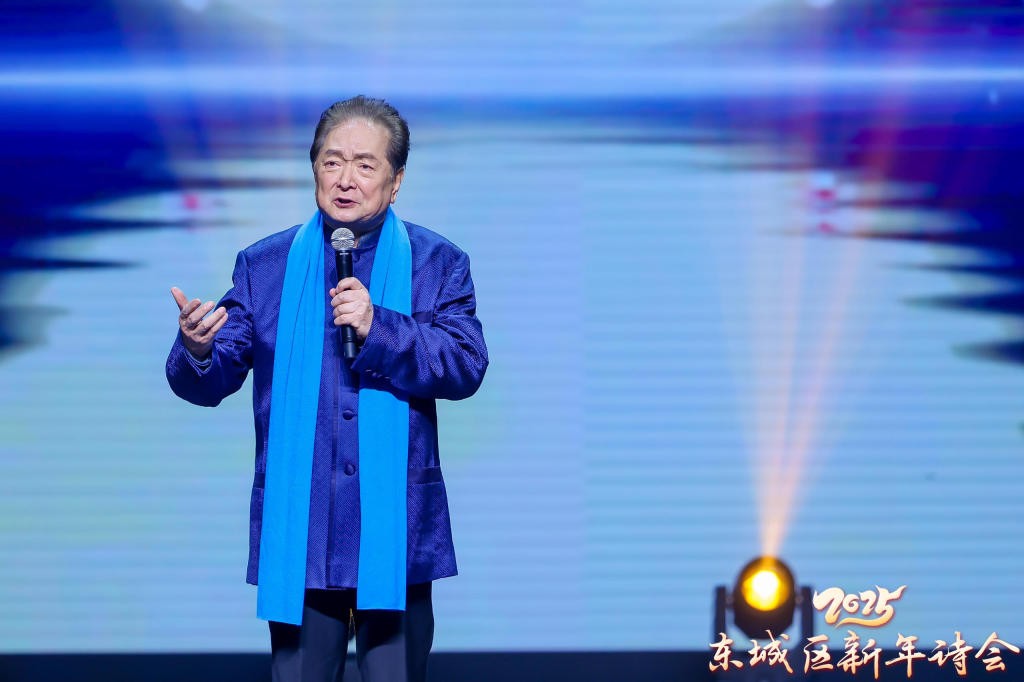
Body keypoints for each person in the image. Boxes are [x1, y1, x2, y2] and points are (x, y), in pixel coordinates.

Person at [166, 95, 488, 682]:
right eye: (332, 161)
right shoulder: (263, 266)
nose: (345, 179)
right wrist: (198, 348)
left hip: (396, 534)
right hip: (303, 533)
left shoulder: (438, 264)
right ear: (313, 168)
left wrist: (379, 326)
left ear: (395, 181)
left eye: (365, 165)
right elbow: (212, 378)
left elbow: (465, 364)